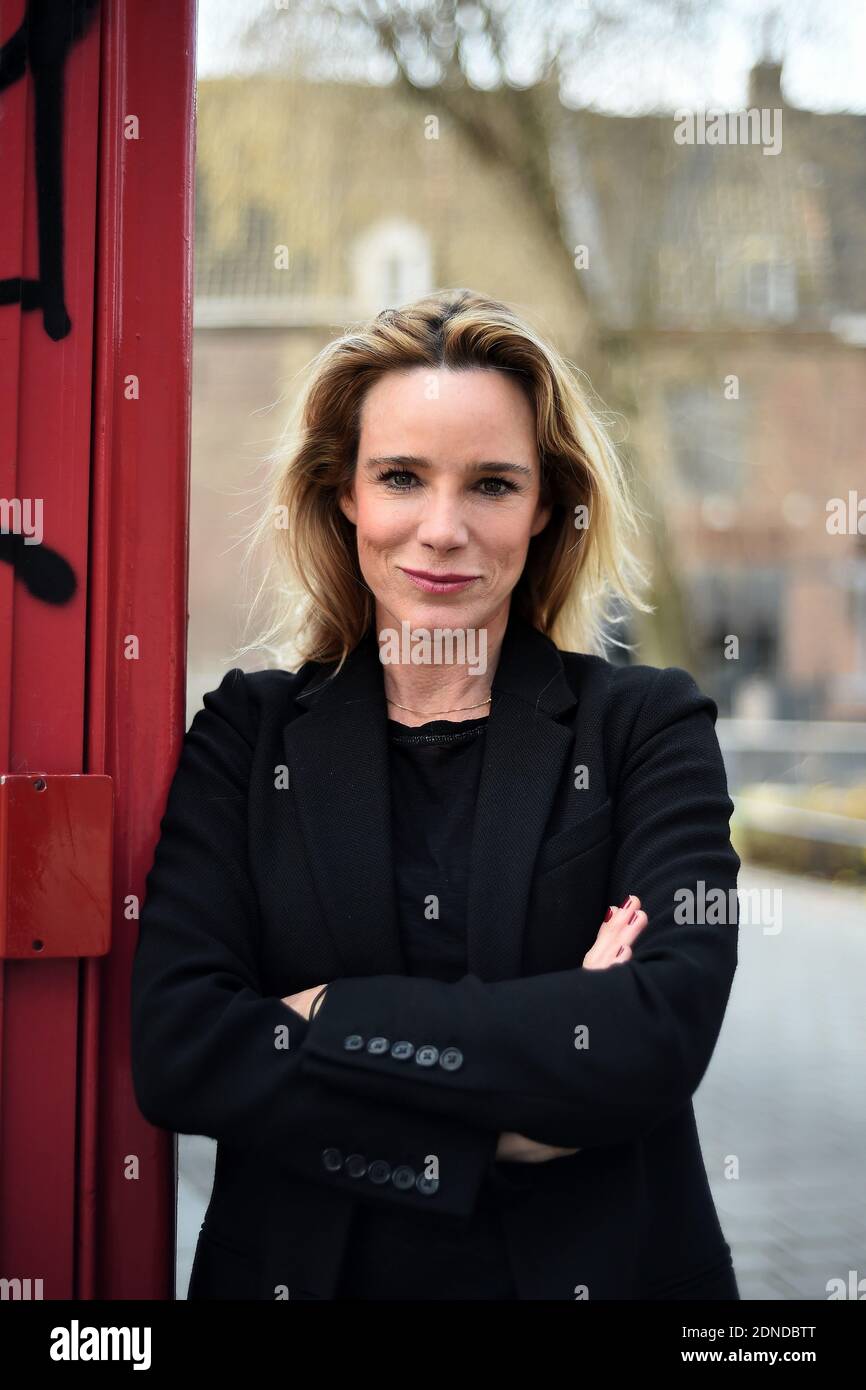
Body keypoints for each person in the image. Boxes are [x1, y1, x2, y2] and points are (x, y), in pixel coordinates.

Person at [130, 288, 740, 1301]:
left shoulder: (644, 726)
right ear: (343, 494)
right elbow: (183, 1049)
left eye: (492, 484)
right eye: (402, 477)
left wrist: (321, 1012)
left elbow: (651, 1036)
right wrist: (508, 1110)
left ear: (546, 505)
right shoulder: (249, 733)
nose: (442, 528)